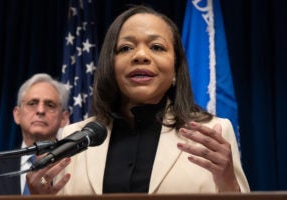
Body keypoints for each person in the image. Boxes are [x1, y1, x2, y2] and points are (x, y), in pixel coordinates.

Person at [26, 5, 250, 194]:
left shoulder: (214, 132)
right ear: (110, 66)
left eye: (156, 47)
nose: (141, 55)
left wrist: (228, 183)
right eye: (125, 48)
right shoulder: (73, 138)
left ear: (175, 70)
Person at [0, 73, 70, 195]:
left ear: (63, 118)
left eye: (50, 105)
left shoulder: (73, 168)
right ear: (17, 114)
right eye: (32, 103)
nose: (40, 111)